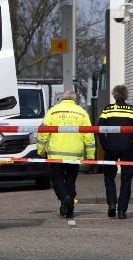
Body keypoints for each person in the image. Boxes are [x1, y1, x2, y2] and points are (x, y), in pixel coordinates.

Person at [37, 90, 95, 219]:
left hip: (56, 154)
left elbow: (43, 131)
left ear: (62, 99)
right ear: (74, 99)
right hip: (74, 154)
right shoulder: (81, 112)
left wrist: (40, 149)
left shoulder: (53, 111)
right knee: (70, 181)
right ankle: (70, 211)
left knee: (57, 180)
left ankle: (65, 198)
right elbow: (89, 135)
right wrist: (91, 155)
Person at [98, 85, 133, 219]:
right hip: (127, 148)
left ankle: (112, 203)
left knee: (109, 176)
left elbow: (100, 129)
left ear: (114, 95)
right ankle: (122, 210)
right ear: (126, 95)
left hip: (110, 147)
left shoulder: (107, 109)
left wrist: (105, 145)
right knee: (126, 179)